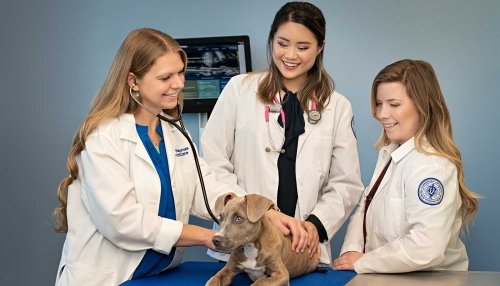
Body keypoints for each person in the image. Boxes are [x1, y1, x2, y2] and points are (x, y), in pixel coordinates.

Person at [53, 28, 245, 285]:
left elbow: (205, 189)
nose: (178, 83)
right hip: (109, 277)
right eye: (166, 77)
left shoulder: (174, 131)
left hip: (157, 275)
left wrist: (255, 211)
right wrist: (205, 236)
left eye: (180, 72)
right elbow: (122, 221)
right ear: (133, 81)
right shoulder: (103, 137)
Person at [201, 1, 364, 265]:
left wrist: (315, 226)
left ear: (320, 47)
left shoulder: (337, 107)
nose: (290, 55)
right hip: (243, 242)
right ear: (271, 40)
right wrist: (259, 214)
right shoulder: (239, 90)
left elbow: (346, 183)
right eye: (282, 43)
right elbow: (213, 164)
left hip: (302, 246)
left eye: (303, 47)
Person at [332, 59, 479, 273]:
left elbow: (426, 247)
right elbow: (365, 206)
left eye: (394, 104)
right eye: (379, 103)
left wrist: (363, 262)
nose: (381, 114)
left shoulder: (433, 166)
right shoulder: (390, 154)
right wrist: (350, 252)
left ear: (422, 106)